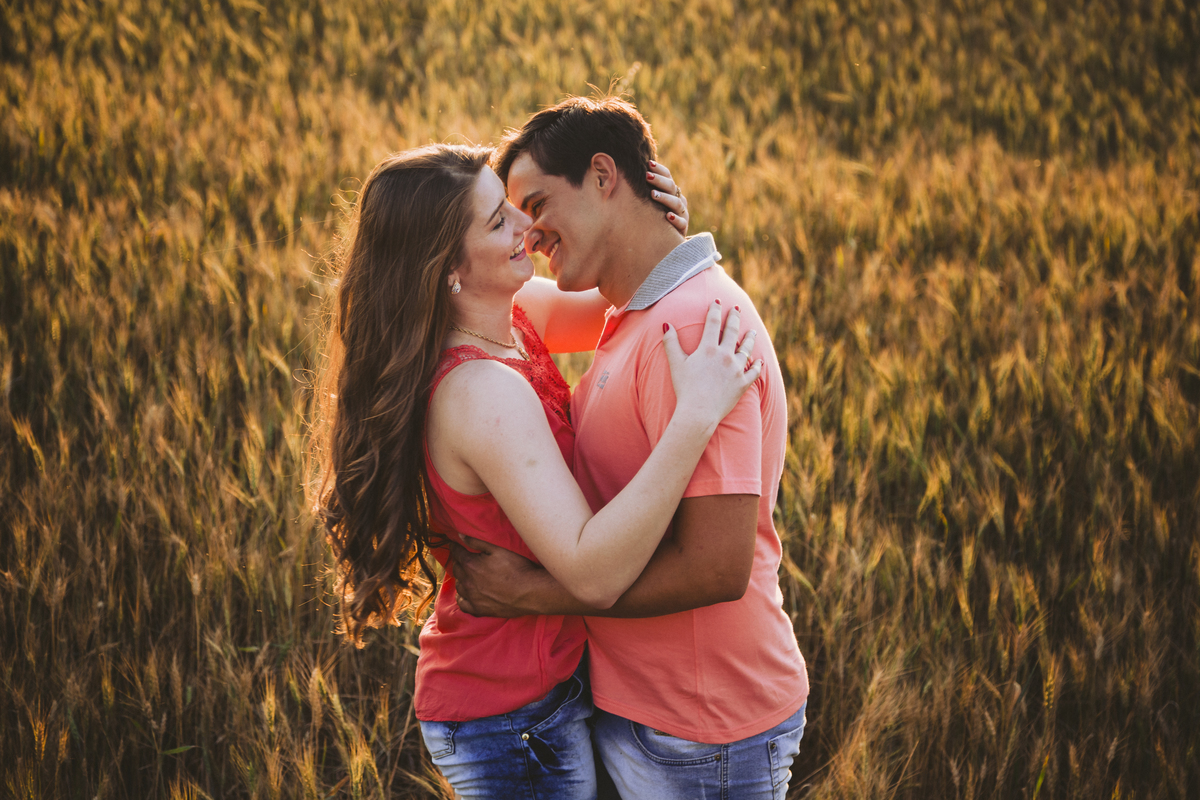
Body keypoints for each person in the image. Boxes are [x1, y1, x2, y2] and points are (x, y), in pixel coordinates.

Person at [312, 143, 763, 799]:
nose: (528, 226)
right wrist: (694, 417)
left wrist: (652, 227)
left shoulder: (516, 318)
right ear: (448, 271)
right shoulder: (479, 395)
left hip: (548, 688)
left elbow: (625, 289)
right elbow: (595, 573)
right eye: (499, 222)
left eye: (516, 207)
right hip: (507, 714)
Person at [452, 96, 810, 800]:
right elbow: (461, 299)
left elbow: (715, 567)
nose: (527, 234)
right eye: (510, 219)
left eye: (536, 203)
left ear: (603, 175)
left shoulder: (698, 327)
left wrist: (531, 594)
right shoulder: (636, 313)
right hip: (644, 712)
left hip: (705, 730)